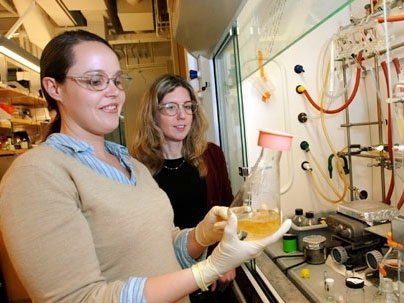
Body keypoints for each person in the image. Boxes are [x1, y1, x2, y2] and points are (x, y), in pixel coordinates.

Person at [0, 29, 291, 303]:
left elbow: (162, 248)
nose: (113, 92)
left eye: (116, 80)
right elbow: (77, 298)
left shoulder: (130, 165)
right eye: (95, 81)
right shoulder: (36, 174)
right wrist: (208, 270)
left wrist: (201, 235)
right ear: (54, 88)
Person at [130, 74, 235, 302]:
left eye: (188, 107)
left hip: (214, 279)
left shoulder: (212, 155)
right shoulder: (136, 168)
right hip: (168, 279)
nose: (182, 116)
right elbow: (143, 236)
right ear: (153, 115)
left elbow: (229, 210)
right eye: (170, 107)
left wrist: (225, 259)